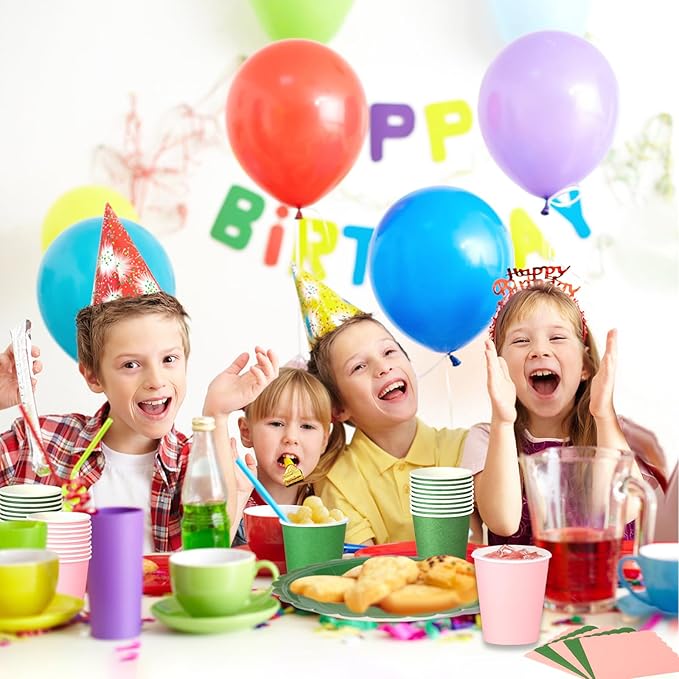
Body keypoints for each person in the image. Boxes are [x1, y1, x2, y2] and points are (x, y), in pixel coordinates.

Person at [0, 205, 278, 552]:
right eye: (131, 365)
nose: (155, 379)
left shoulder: (193, 460)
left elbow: (211, 550)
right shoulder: (39, 442)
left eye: (169, 359)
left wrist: (217, 415)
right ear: (93, 376)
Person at [293, 266, 521, 546]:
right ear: (339, 408)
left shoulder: (463, 447)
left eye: (389, 351)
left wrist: (503, 420)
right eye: (359, 366)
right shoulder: (337, 479)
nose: (383, 367)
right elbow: (361, 566)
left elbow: (504, 522)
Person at [461, 266, 669, 545]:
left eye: (557, 337)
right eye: (521, 340)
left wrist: (603, 414)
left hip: (606, 574)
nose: (539, 350)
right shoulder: (486, 437)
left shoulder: (614, 431)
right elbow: (503, 521)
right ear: (501, 368)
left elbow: (619, 511)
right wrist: (503, 420)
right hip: (528, 576)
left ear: (584, 367)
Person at [230, 365, 344, 545]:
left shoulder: (328, 503)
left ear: (324, 440)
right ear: (246, 432)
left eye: (307, 426)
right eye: (276, 424)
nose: (291, 438)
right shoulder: (232, 498)